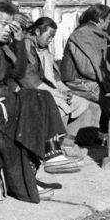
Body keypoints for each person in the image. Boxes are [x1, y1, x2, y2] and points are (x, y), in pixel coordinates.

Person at [0, 1, 62, 202]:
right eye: (3, 24)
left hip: (3, 99)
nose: (6, 30)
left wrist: (19, 41)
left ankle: (52, 154)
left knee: (42, 97)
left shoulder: (0, 45)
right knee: (25, 118)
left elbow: (17, 72)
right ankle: (27, 183)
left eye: (10, 25)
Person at [28, 15, 97, 154]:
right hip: (35, 91)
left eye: (53, 37)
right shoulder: (27, 46)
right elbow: (30, 79)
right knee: (63, 106)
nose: (51, 40)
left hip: (50, 90)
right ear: (37, 32)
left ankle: (68, 143)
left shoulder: (45, 49)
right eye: (49, 36)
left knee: (85, 104)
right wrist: (56, 93)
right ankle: (54, 148)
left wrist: (65, 90)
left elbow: (55, 77)